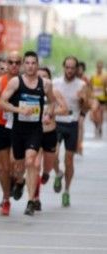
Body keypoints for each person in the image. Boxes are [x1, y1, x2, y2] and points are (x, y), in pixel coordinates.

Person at [0, 51, 55, 216]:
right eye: (28, 63)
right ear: (24, 65)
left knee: (31, 161)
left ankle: (31, 201)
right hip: (18, 129)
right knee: (19, 165)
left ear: (37, 65)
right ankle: (20, 181)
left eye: (33, 63)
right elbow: (2, 102)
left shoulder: (45, 84)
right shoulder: (16, 82)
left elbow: (52, 101)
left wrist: (48, 114)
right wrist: (19, 109)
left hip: (35, 129)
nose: (30, 66)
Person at [52, 56, 88, 207]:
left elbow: (86, 106)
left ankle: (66, 191)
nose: (69, 70)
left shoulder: (82, 84)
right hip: (57, 122)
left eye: (72, 67)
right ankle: (58, 173)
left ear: (76, 69)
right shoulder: (55, 82)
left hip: (72, 124)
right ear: (63, 67)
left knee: (69, 160)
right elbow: (50, 102)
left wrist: (82, 100)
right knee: (53, 154)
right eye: (67, 67)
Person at [33, 67, 68, 211]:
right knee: (35, 165)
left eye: (45, 76)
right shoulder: (31, 91)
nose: (42, 79)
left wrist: (51, 112)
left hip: (49, 132)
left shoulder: (54, 92)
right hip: (34, 132)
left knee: (48, 164)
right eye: (39, 76)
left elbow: (65, 109)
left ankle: (48, 173)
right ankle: (35, 198)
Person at [0, 51, 21, 216]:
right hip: (1, 125)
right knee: (2, 167)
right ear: (6, 64)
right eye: (11, 62)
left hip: (20, 127)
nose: (14, 65)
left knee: (15, 164)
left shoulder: (26, 82)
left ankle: (18, 181)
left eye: (17, 62)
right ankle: (6, 198)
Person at [90, 60, 107, 138]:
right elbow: (90, 86)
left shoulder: (105, 76)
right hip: (95, 97)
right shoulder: (93, 76)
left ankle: (99, 126)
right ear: (97, 67)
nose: (99, 68)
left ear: (102, 67)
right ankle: (96, 124)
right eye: (98, 66)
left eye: (101, 67)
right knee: (93, 113)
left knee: (100, 114)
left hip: (103, 97)